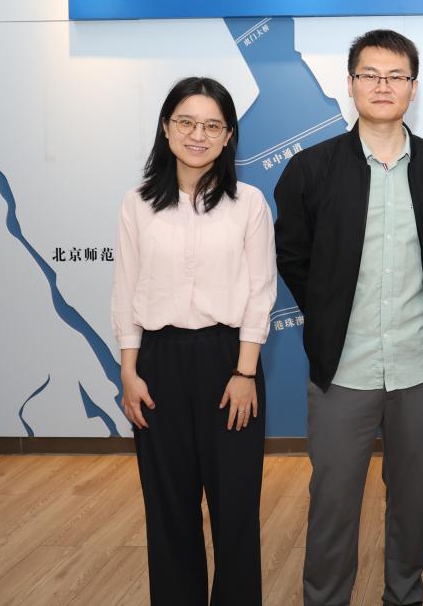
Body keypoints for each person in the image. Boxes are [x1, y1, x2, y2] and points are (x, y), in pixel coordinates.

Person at [273, 29, 423, 606]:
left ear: (413, 88)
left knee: (413, 502)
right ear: (350, 84)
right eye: (370, 75)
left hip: (417, 367)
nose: (383, 86)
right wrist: (330, 313)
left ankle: (405, 596)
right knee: (332, 505)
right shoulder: (311, 168)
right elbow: (293, 257)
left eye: (396, 76)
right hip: (343, 370)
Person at [111, 76, 276, 606]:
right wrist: (129, 371)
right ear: (166, 128)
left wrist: (245, 372)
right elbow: (126, 290)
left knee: (235, 511)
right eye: (186, 122)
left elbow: (260, 291)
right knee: (168, 510)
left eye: (212, 125)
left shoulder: (248, 203)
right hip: (157, 365)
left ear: (228, 136)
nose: (197, 135)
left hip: (230, 363)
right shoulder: (137, 204)